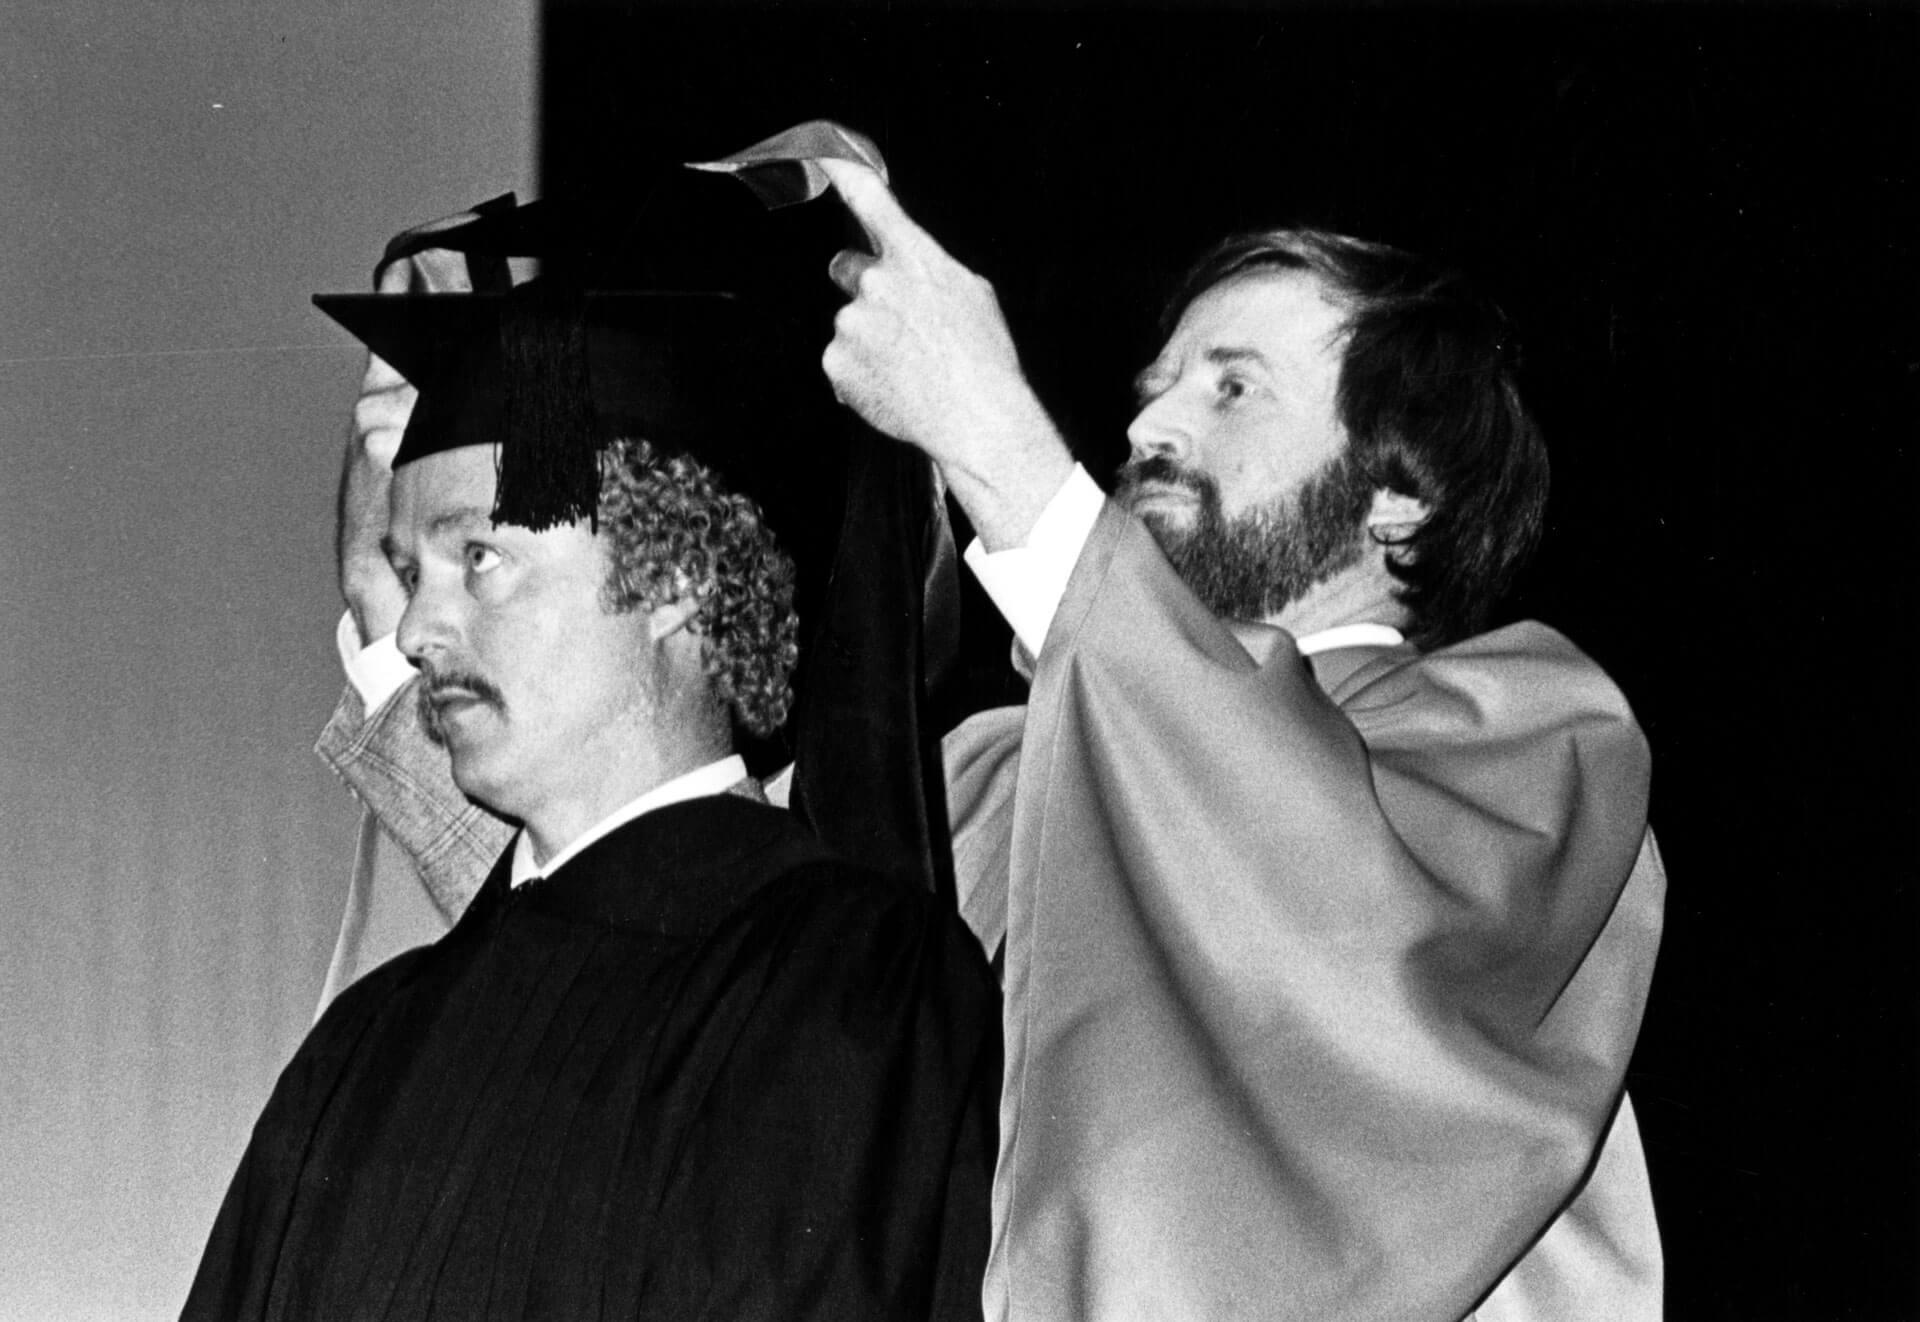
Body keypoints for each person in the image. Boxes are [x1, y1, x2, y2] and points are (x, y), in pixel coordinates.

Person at [817, 160, 1665, 1320]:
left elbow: (1333, 941)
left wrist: (999, 449)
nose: (1145, 421)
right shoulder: (988, 770)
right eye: (1157, 384)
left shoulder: (1529, 739)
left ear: (1398, 495)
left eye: (1230, 390)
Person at [182, 284, 999, 1319]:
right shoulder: (365, 1041)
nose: (421, 629)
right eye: (409, 568)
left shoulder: (846, 979)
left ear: (672, 579)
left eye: (479, 556)